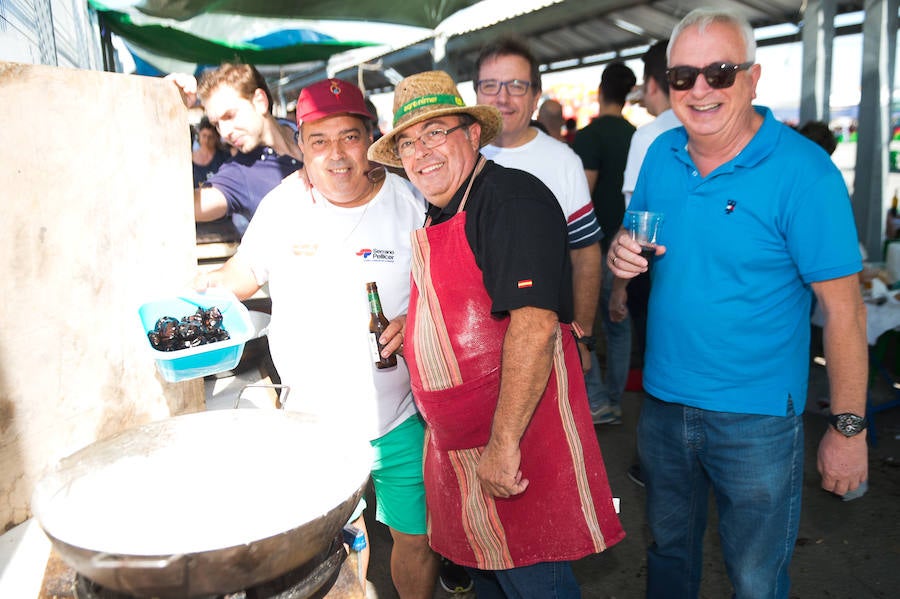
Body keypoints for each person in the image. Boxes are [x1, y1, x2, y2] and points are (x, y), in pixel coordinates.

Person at [607, 9, 868, 598]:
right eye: (683, 76)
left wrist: (848, 431)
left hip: (758, 421)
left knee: (754, 577)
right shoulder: (660, 155)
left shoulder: (804, 172)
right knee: (668, 554)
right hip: (665, 405)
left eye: (720, 73)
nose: (700, 90)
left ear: (753, 77)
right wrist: (620, 263)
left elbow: (846, 312)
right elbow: (633, 245)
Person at [368, 70, 624, 599]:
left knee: (536, 577)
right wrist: (416, 328)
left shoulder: (509, 201)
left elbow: (533, 325)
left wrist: (505, 447)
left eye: (436, 132)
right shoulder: (444, 206)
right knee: (495, 581)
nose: (422, 152)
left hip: (515, 441)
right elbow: (474, 306)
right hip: (464, 448)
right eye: (409, 142)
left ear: (473, 133)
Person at [194, 77, 439, 599]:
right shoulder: (285, 204)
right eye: (319, 141)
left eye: (349, 137)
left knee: (415, 541)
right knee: (341, 548)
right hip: (316, 424)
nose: (336, 156)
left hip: (401, 418)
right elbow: (245, 270)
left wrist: (416, 321)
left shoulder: (411, 204)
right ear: (300, 144)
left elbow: (444, 294)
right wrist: (205, 294)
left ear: (372, 138)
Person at [475, 36, 604, 379]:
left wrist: (585, 336)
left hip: (545, 348)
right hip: (472, 351)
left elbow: (586, 254)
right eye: (490, 85)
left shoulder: (562, 160)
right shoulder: (456, 157)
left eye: (516, 85)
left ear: (534, 96)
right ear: (475, 94)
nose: (502, 97)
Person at [610, 40, 682, 487]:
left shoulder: (648, 134)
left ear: (653, 81)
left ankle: (653, 459)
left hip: (652, 272)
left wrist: (618, 286)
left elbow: (636, 221)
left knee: (654, 355)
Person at [572, 61, 637, 425]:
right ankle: (614, 398)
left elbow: (584, 196)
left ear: (600, 91)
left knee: (583, 323)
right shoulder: (636, 135)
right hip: (627, 245)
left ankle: (597, 399)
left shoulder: (590, 136)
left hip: (592, 248)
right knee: (619, 322)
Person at [168, 63, 303, 236]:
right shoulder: (239, 174)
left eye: (230, 115)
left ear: (260, 101)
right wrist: (166, 106)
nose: (224, 133)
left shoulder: (307, 128)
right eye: (217, 124)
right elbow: (180, 205)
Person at [191, 117, 229, 188]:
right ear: (199, 135)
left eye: (210, 137)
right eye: (204, 135)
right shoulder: (189, 159)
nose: (206, 140)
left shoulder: (225, 157)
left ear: (216, 138)